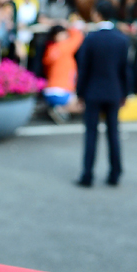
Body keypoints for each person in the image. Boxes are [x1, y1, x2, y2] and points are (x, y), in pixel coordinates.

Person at [76, 0, 130, 185]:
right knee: (113, 133)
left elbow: (84, 69)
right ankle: (115, 173)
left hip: (93, 91)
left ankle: (87, 175)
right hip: (114, 91)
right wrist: (125, 93)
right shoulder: (121, 39)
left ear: (97, 14)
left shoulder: (91, 38)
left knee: (91, 134)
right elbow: (125, 70)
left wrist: (80, 93)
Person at [42, 23, 84, 122]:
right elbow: (78, 36)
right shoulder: (64, 47)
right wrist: (68, 25)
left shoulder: (50, 50)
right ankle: (60, 110)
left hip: (49, 91)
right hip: (63, 91)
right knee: (82, 106)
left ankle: (58, 109)